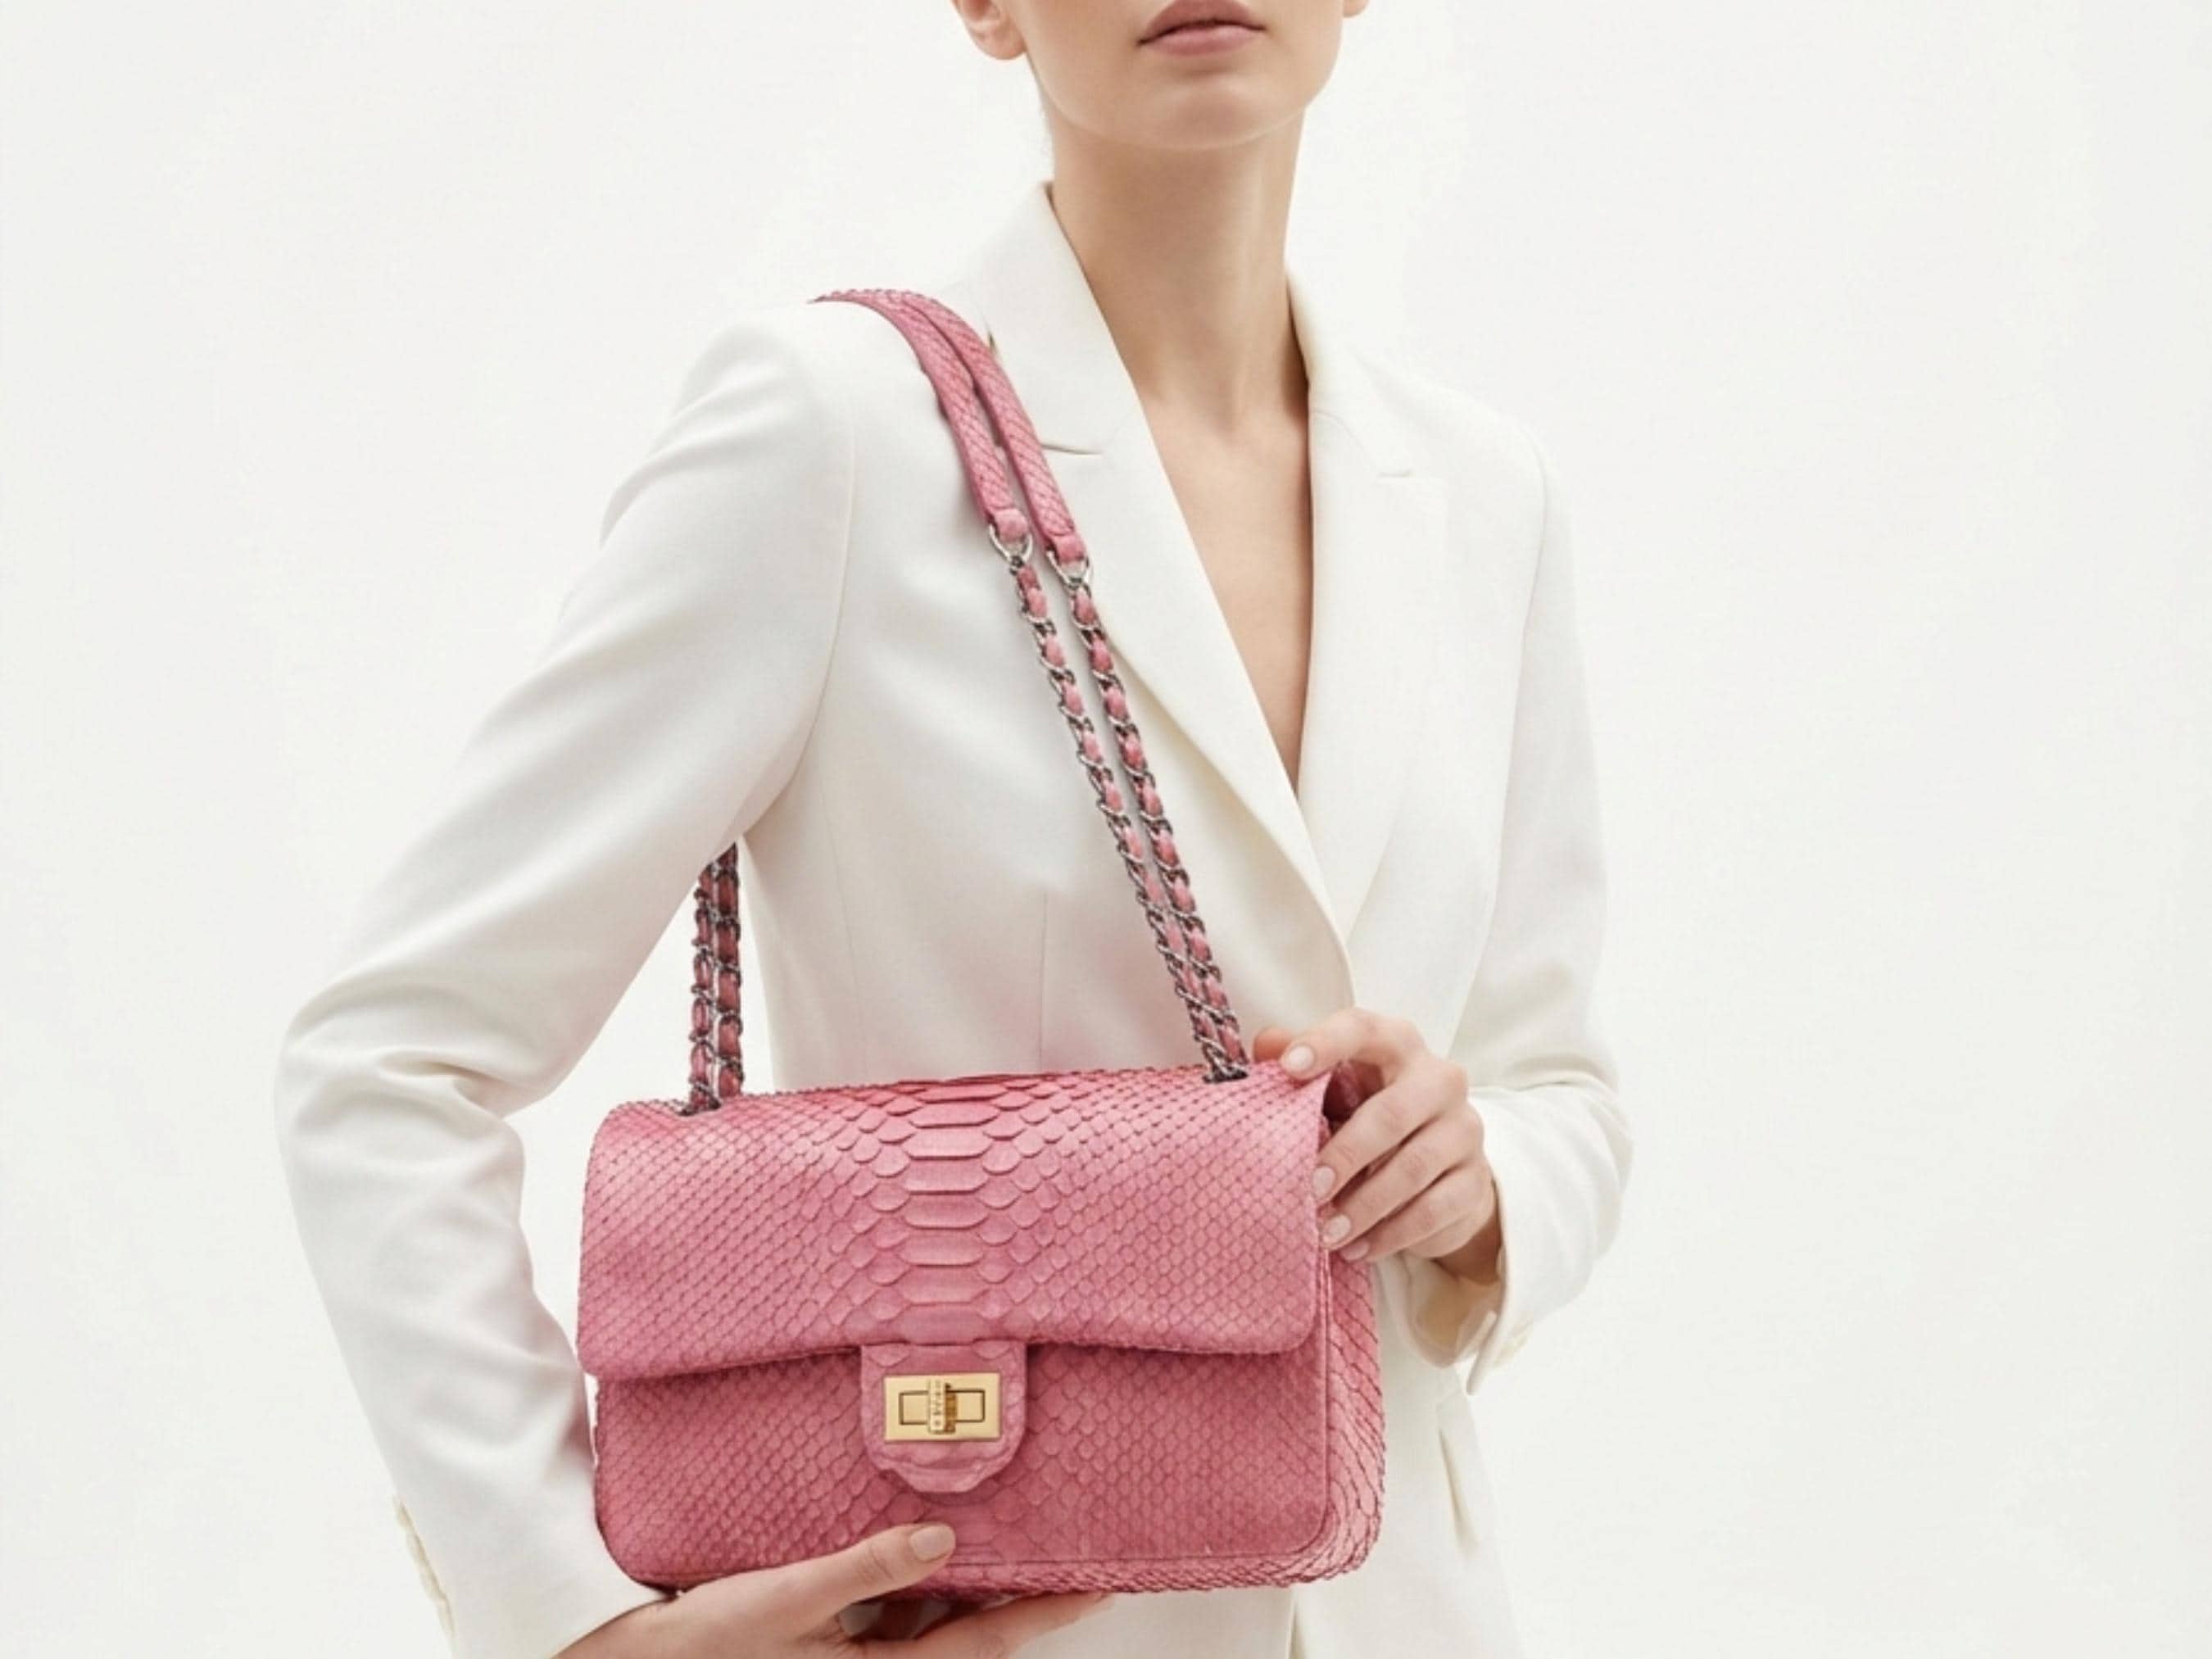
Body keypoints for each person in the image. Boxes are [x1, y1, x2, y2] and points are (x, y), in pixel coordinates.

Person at [272, 3, 1634, 1656]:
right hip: (988, 1605)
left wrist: (1477, 1181)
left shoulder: (1487, 497)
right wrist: (572, 1613)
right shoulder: (835, 430)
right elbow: (390, 1061)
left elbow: (1559, 1082)